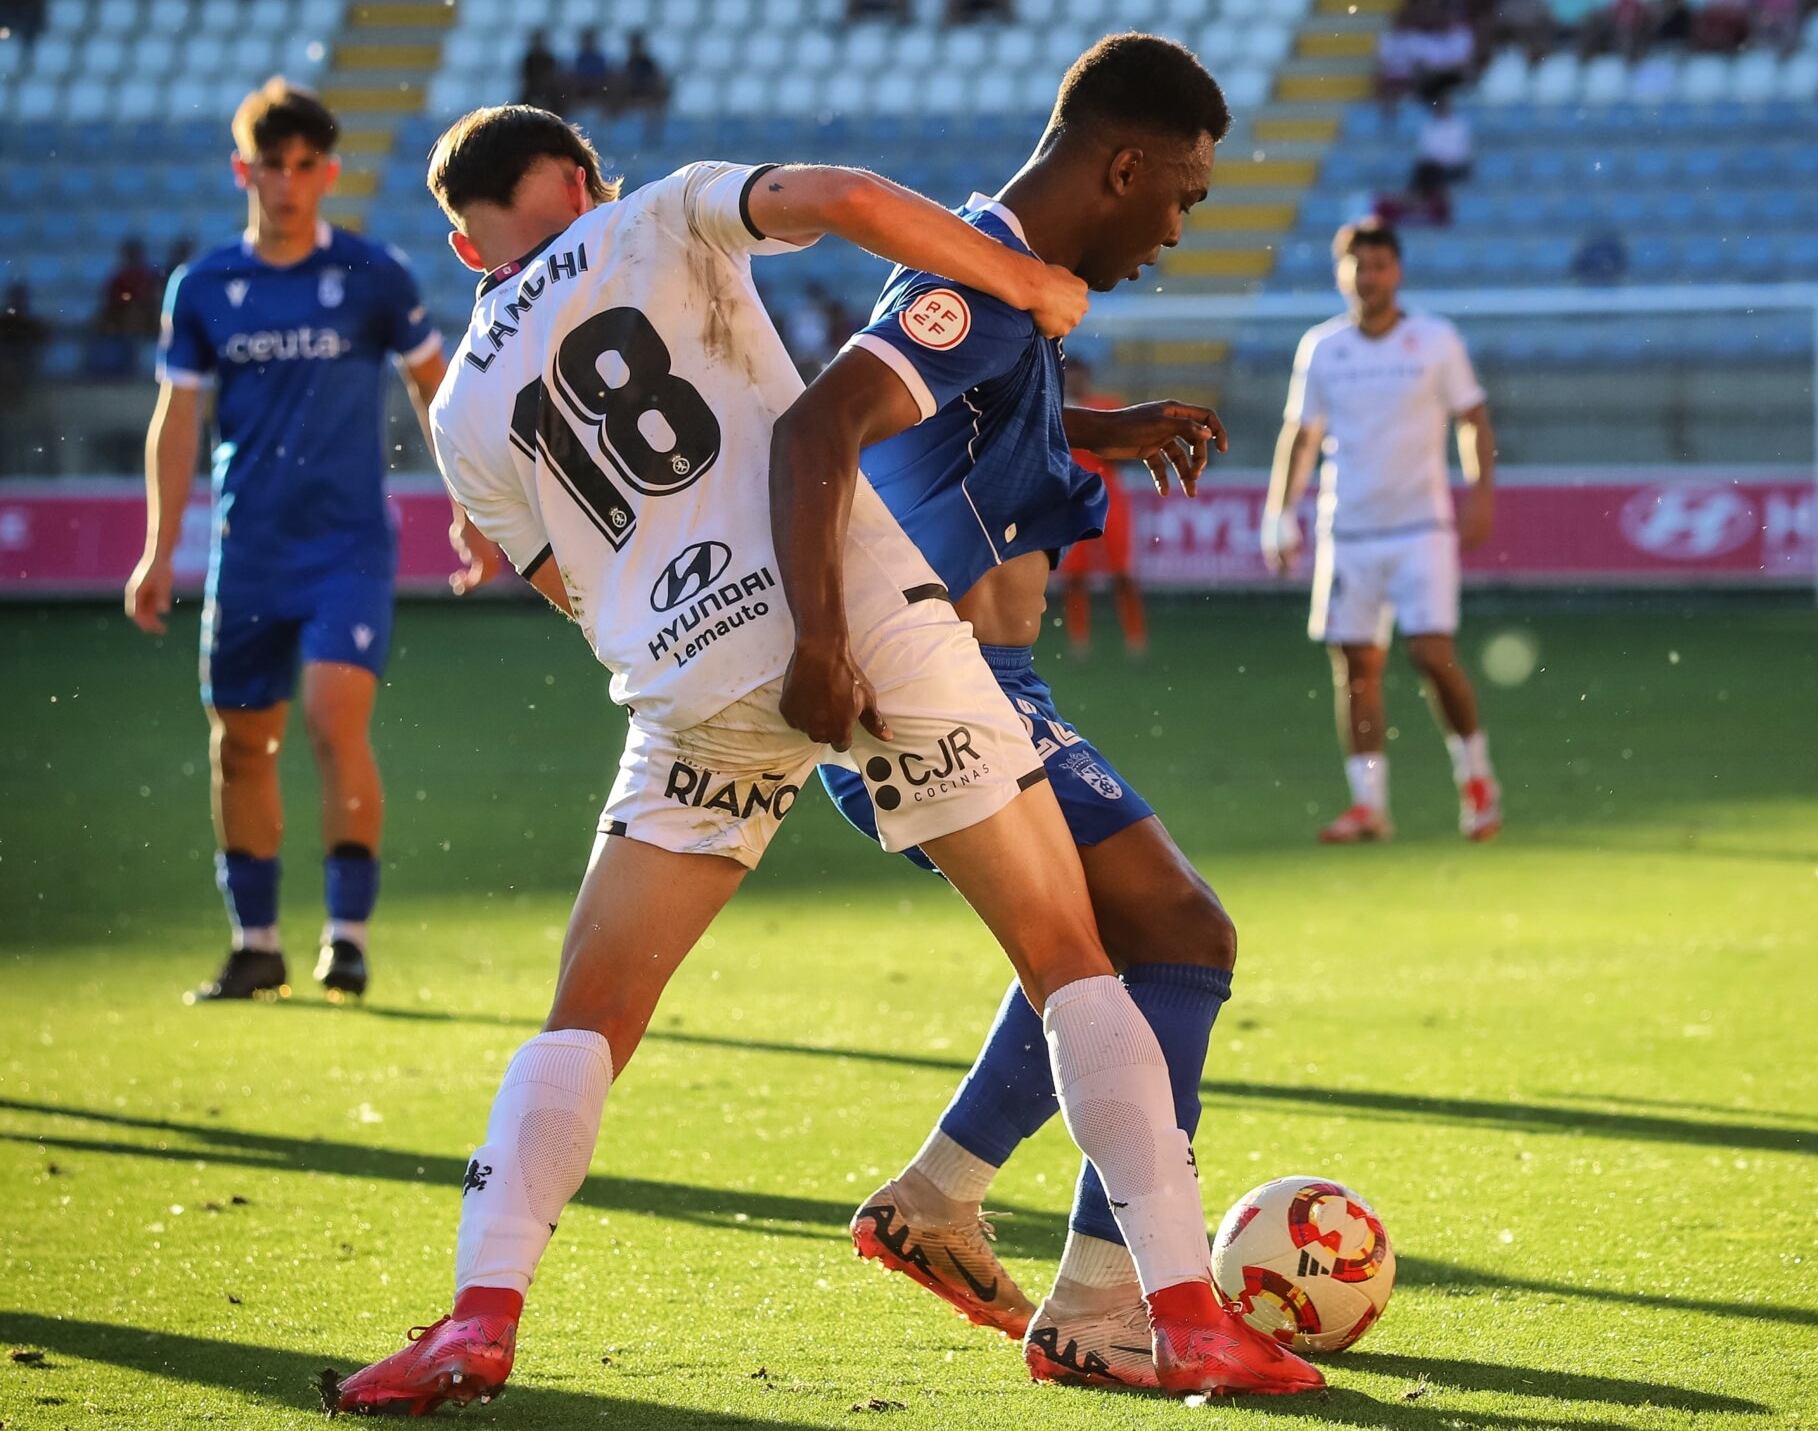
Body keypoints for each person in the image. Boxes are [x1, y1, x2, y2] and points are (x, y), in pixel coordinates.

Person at [331, 104, 1323, 1415]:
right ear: (581, 175)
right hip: (858, 621)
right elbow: (846, 196)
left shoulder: (460, 411)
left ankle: (478, 1311)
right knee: (1073, 954)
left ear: (466, 251)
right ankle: (1179, 1314)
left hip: (685, 681)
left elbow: (567, 589)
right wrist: (1021, 277)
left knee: (587, 1013)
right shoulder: (659, 211)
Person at [803, 33, 1259, 1390]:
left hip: (984, 683)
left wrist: (1097, 430)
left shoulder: (1000, 282)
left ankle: (940, 1198)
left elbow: (948, 425)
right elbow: (825, 422)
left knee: (1102, 946)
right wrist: (824, 644)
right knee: (1176, 931)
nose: (1175, 230)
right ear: (1120, 164)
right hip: (936, 682)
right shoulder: (974, 279)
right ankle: (1105, 1300)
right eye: (1177, 196)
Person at [124, 78, 502, 1005]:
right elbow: (177, 422)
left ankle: (348, 935)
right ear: (241, 171)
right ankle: (255, 943)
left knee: (336, 723)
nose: (287, 184)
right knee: (242, 744)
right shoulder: (205, 286)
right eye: (270, 167)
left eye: (304, 167)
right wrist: (157, 546)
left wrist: (469, 503)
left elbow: (435, 387)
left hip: (346, 547)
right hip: (248, 547)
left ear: (327, 172)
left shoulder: (375, 276)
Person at [1261, 219, 1502, 843]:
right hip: (1350, 530)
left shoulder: (1434, 340)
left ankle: (1476, 778)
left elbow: (1472, 417)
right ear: (1342, 274)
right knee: (1355, 666)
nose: (1369, 278)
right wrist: (1280, 512)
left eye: (1379, 266)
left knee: (1430, 654)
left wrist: (1479, 491)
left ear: (1397, 271)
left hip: (1422, 526)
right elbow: (1302, 434)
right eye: (1357, 267)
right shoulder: (1322, 347)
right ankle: (1370, 805)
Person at [1055, 356, 1147, 656]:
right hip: (1070, 499)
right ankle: (1078, 640)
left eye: (1080, 376)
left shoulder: (1107, 407)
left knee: (1122, 573)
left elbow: (1123, 450)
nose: (1076, 382)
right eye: (1070, 376)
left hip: (1109, 497)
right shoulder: (1055, 410)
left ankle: (1135, 637)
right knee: (1075, 576)